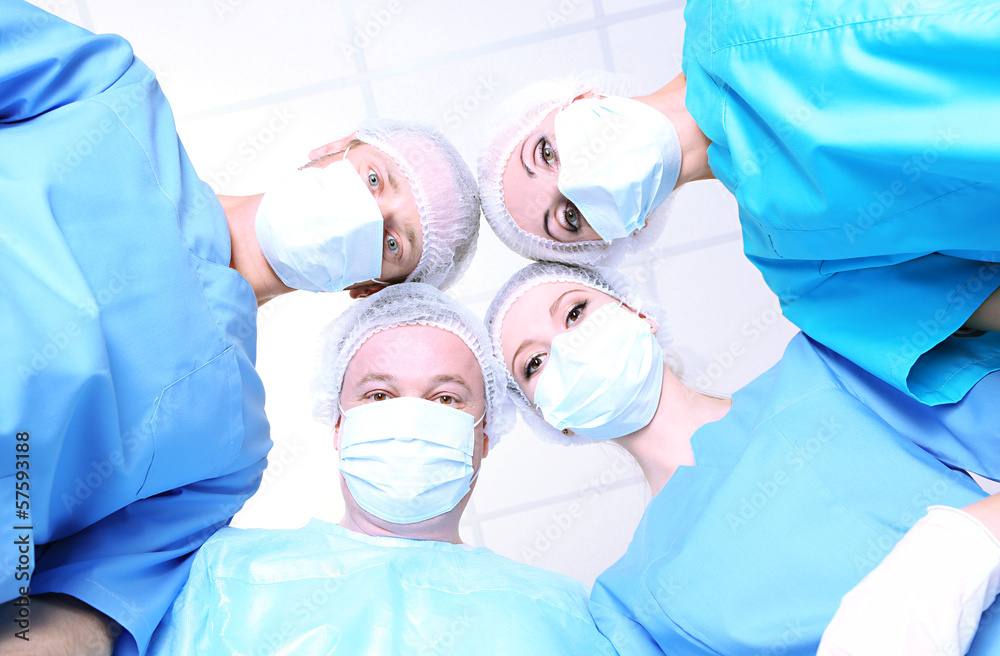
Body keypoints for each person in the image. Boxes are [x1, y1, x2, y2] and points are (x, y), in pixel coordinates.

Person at [0, 2, 479, 654]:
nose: (368, 216)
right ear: (332, 150)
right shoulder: (110, 91)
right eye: (374, 180)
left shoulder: (229, 452)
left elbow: (83, 608)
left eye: (393, 242)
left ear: (368, 288)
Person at [477, 0, 1000, 406]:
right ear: (620, 234)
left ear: (576, 99)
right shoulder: (805, 275)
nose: (573, 180)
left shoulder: (728, 10)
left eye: (545, 153)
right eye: (569, 218)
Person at [484, 261, 1000, 655]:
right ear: (553, 418)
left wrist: (950, 555)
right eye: (535, 363)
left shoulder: (826, 367)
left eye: (575, 313)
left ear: (638, 313)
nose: (567, 349)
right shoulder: (628, 603)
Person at [145, 283, 618, 655]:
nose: (410, 419)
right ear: (338, 423)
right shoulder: (220, 575)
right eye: (379, 395)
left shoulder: (562, 615)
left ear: (484, 435)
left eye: (445, 399)